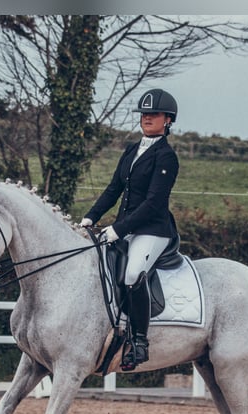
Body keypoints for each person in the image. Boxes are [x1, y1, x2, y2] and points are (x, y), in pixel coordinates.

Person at [80, 88, 180, 371]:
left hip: (153, 230)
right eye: (144, 114)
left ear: (168, 120)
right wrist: (91, 216)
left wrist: (118, 229)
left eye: (154, 114)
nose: (147, 118)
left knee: (133, 273)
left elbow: (153, 203)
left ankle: (139, 341)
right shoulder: (131, 150)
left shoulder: (166, 157)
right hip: (126, 228)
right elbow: (114, 189)